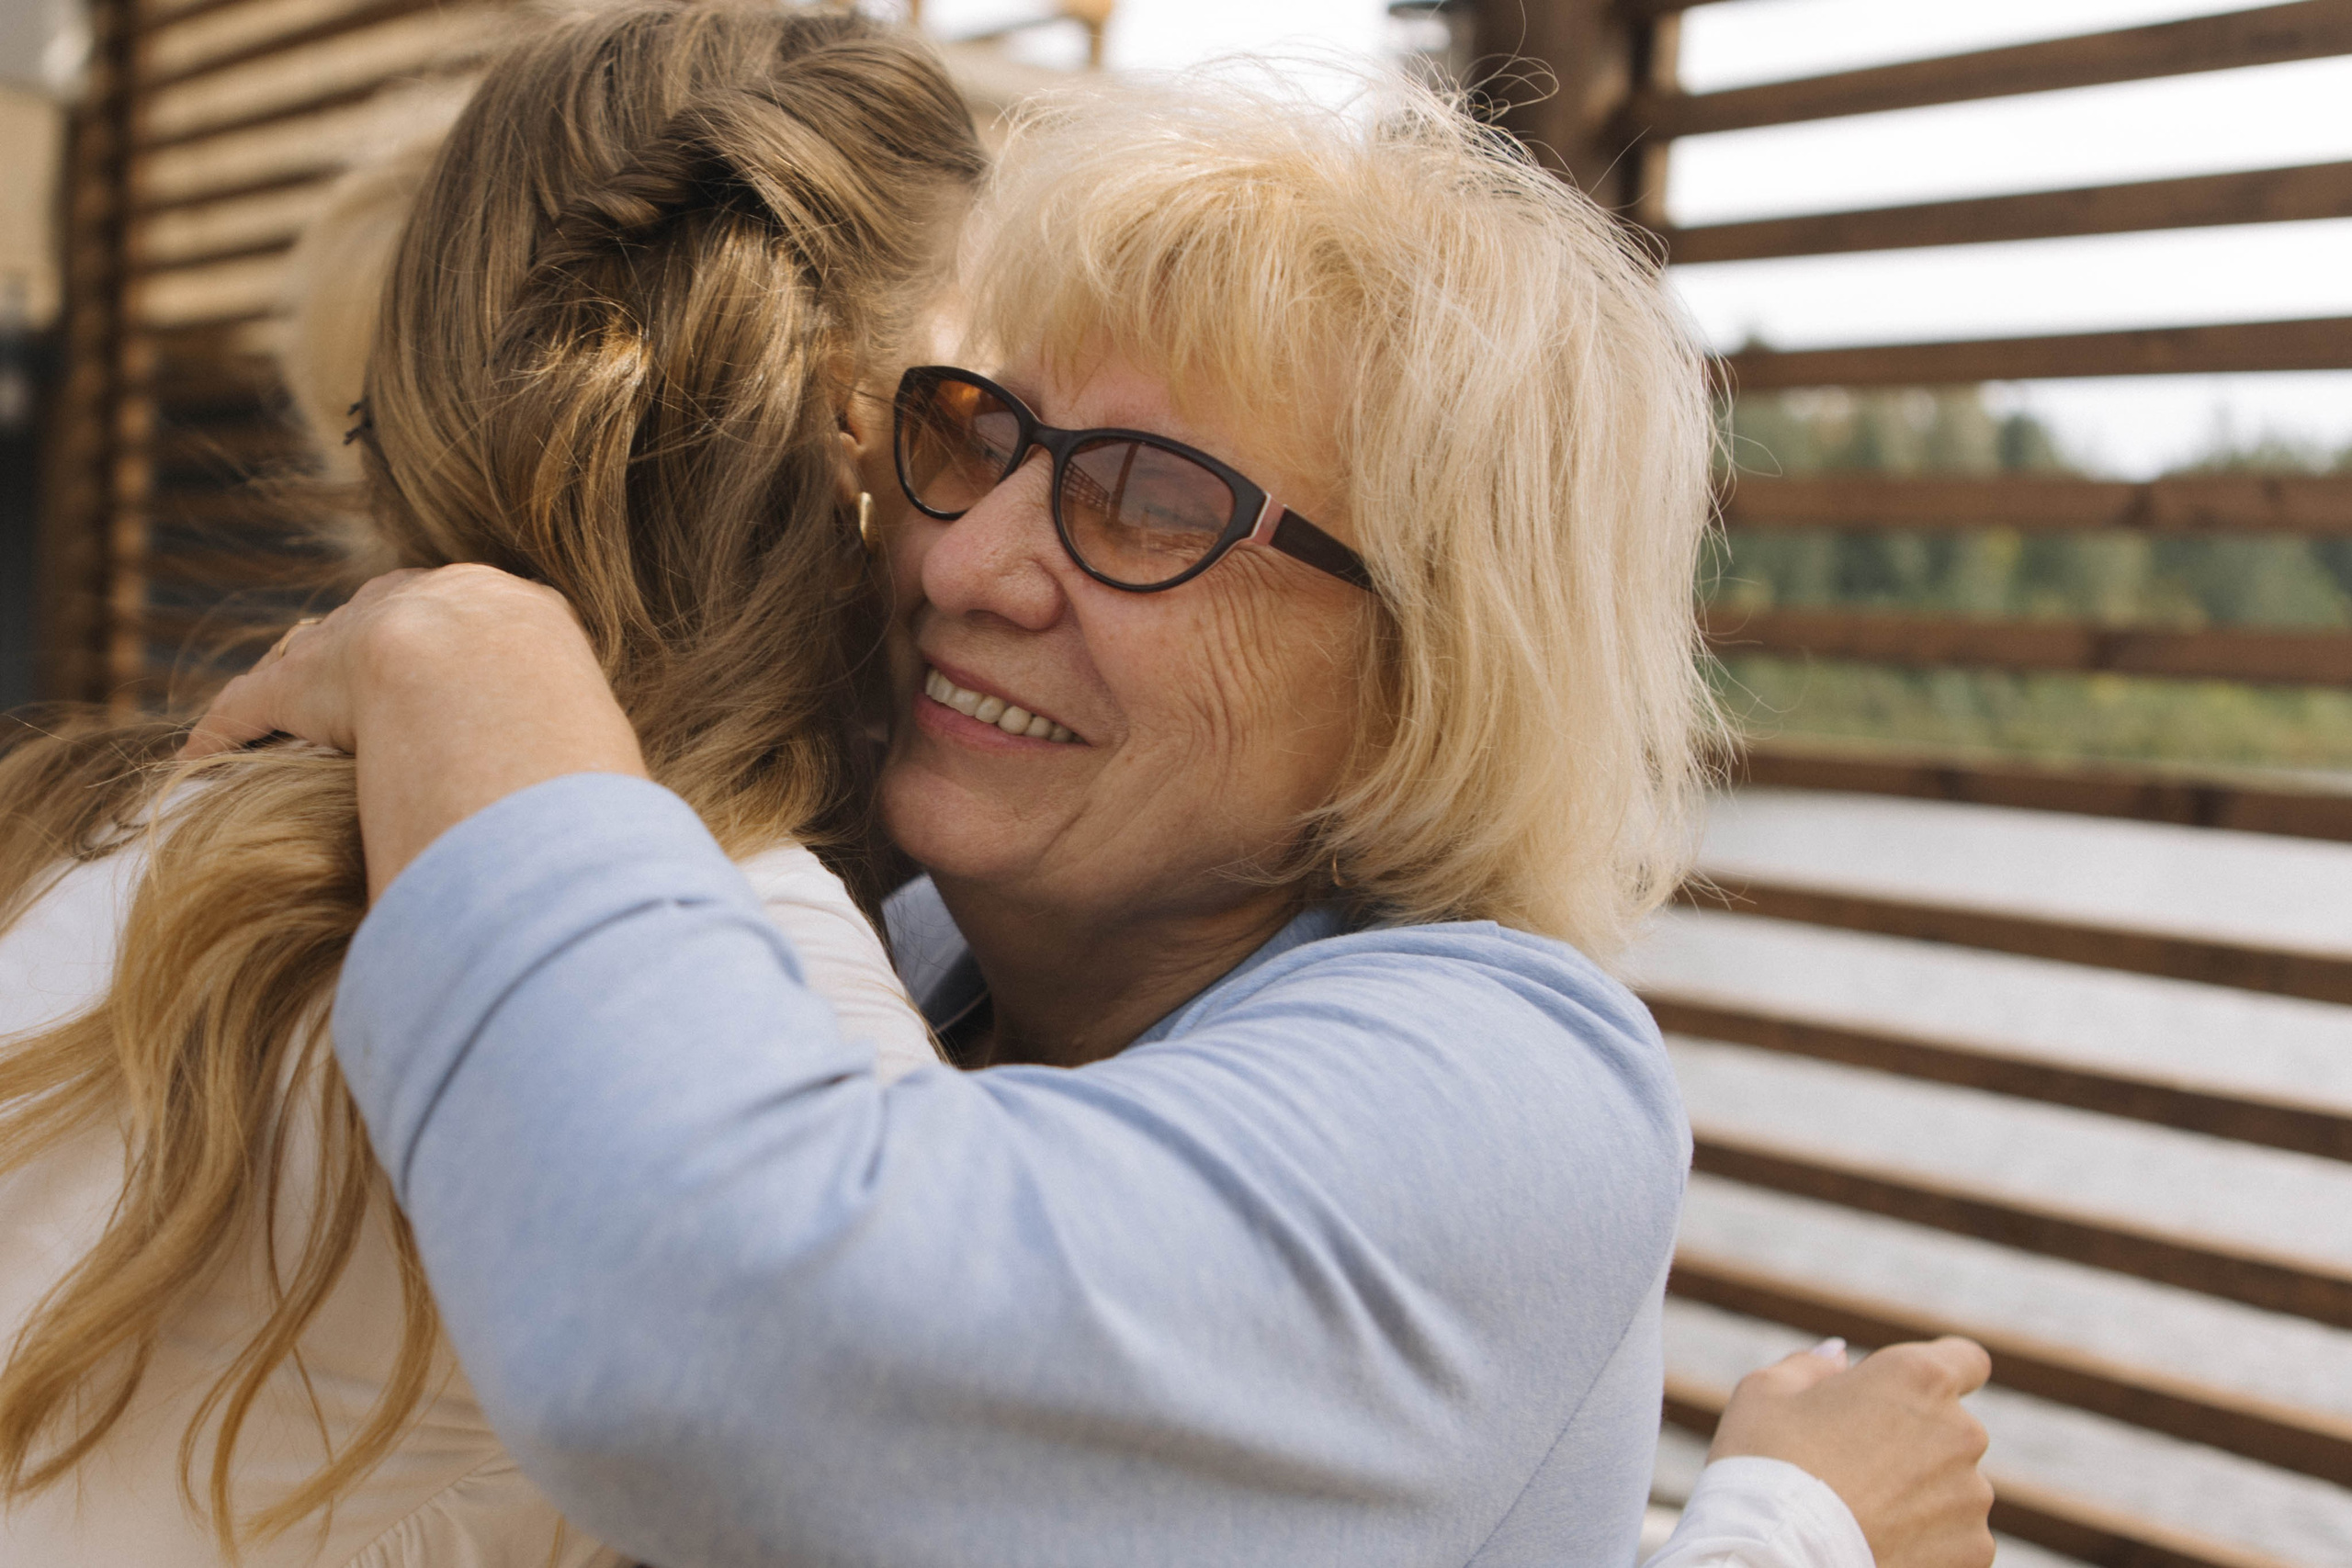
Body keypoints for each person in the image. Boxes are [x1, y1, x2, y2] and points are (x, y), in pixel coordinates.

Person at [187, 54, 1998, 1568]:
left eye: (1145, 501)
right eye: (976, 433)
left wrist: (464, 660)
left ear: (1430, 664)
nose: (966, 561)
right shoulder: (926, 943)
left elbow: (730, 1330)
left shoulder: (1517, 1084)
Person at [0, 6, 981, 1561]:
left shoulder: (110, 825)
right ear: (859, 431)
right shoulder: (735, 968)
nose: (1020, 523)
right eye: (979, 423)